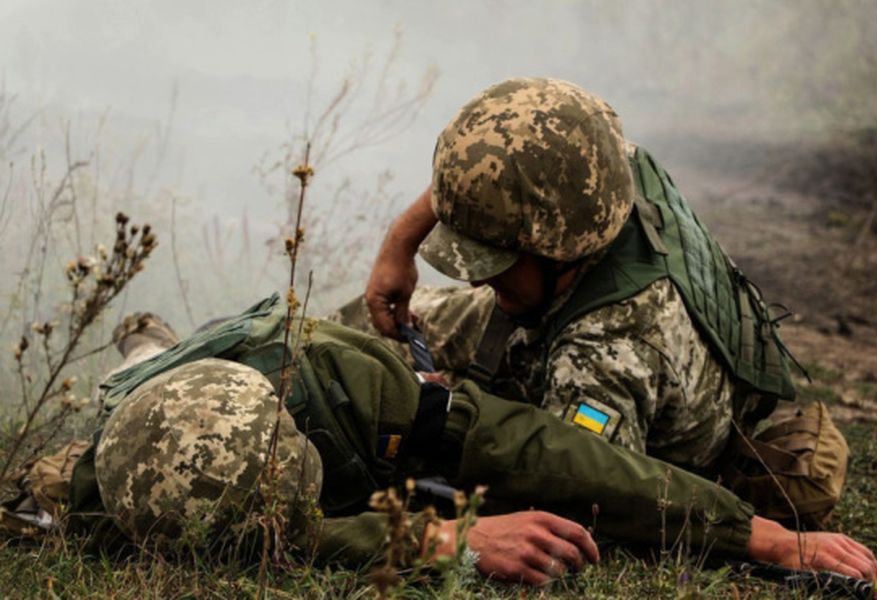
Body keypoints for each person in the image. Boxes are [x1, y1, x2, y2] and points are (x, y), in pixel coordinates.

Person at [52, 297, 877, 585]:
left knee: (163, 346)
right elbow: (286, 539)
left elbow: (538, 449)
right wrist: (436, 539)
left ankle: (151, 333)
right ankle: (145, 340)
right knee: (139, 368)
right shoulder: (104, 499)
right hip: (149, 416)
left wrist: (752, 533)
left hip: (293, 374)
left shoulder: (346, 381)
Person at [342, 77, 845, 527]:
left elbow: (578, 493)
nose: (477, 282)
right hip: (557, 304)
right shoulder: (593, 169)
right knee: (357, 334)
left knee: (388, 402)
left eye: (494, 261)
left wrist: (439, 424)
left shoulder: (608, 352)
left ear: (557, 244)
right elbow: (494, 169)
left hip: (620, 400)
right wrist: (400, 245)